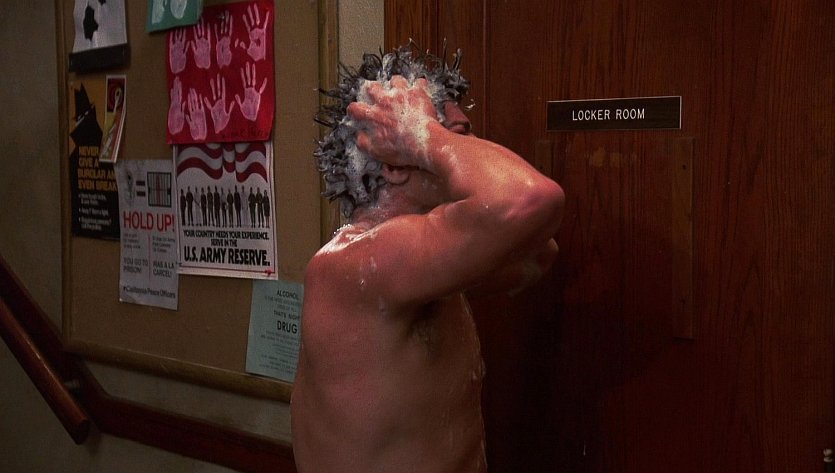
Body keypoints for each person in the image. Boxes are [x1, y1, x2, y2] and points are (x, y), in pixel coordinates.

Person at [291, 45, 564, 473]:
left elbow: (537, 253)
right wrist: (424, 135)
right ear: (397, 162)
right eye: (454, 135)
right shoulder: (351, 266)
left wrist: (429, 137)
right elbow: (529, 200)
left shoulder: (422, 268)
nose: (461, 152)